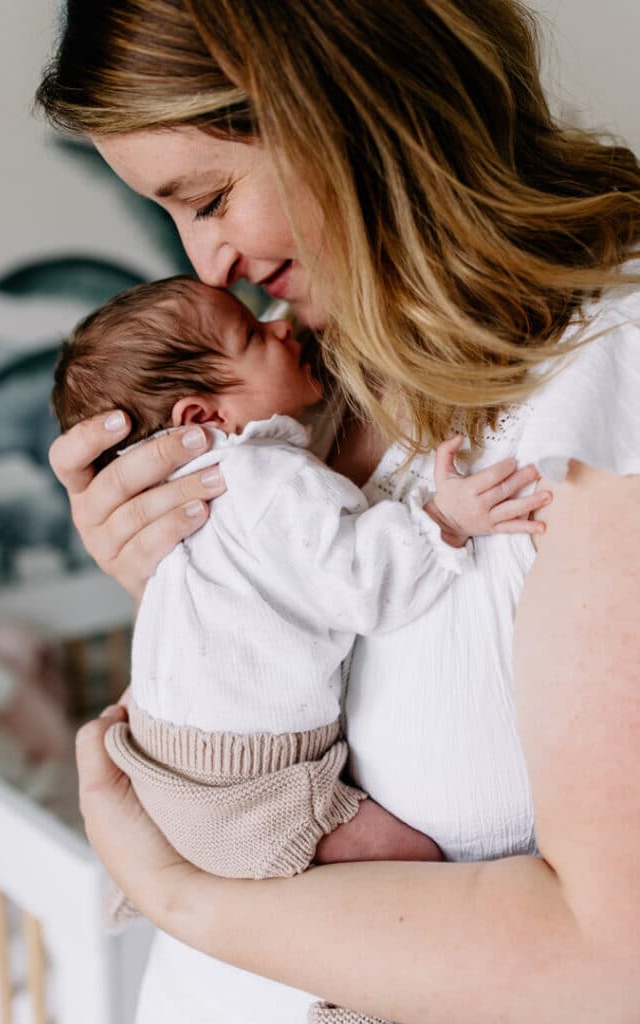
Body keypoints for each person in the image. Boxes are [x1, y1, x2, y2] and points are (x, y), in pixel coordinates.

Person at [36, 1, 640, 1021]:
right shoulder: (315, 371)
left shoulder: (605, 385)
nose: (206, 264)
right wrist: (178, 578)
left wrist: (174, 887)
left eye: (212, 195)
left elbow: (610, 962)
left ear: (346, 105)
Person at [51, 276, 546, 942]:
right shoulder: (266, 476)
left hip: (177, 764)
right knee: (422, 877)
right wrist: (441, 521)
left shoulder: (187, 502)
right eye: (253, 335)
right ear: (200, 419)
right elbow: (357, 582)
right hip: (256, 785)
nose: (281, 327)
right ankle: (359, 1004)